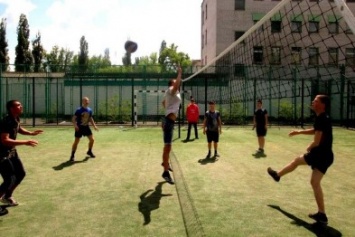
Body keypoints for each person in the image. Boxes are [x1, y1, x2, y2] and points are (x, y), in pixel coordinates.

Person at [267, 94, 333, 225]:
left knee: (297, 161)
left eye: (316, 101)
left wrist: (310, 146)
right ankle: (322, 214)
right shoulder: (323, 117)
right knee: (314, 182)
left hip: (319, 155)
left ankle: (278, 175)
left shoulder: (321, 118)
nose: (313, 102)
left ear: (322, 105)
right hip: (326, 156)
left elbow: (317, 141)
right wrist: (299, 132)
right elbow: (316, 130)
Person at [0, 100, 43, 212]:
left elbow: (18, 128)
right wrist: (25, 142)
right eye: (18, 105)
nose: (21, 106)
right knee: (9, 179)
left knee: (20, 173)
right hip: (2, 153)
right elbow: (4, 140)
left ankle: (7, 196)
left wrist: (31, 133)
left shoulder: (16, 118)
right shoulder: (6, 121)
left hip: (11, 151)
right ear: (11, 108)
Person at [161, 67, 182, 184]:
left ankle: (165, 163)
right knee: (167, 146)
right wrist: (179, 73)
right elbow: (176, 85)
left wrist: (167, 111)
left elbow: (163, 102)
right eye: (175, 82)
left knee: (167, 147)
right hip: (169, 122)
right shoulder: (171, 89)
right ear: (171, 84)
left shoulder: (173, 93)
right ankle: (165, 172)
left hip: (169, 121)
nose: (177, 84)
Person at [70, 97, 98, 162]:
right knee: (76, 142)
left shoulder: (89, 110)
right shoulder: (79, 110)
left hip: (86, 127)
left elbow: (90, 118)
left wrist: (94, 126)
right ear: (82, 102)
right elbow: (73, 119)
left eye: (88, 100)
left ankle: (89, 151)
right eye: (85, 100)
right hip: (79, 128)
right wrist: (75, 125)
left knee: (92, 140)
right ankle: (72, 155)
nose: (87, 101)